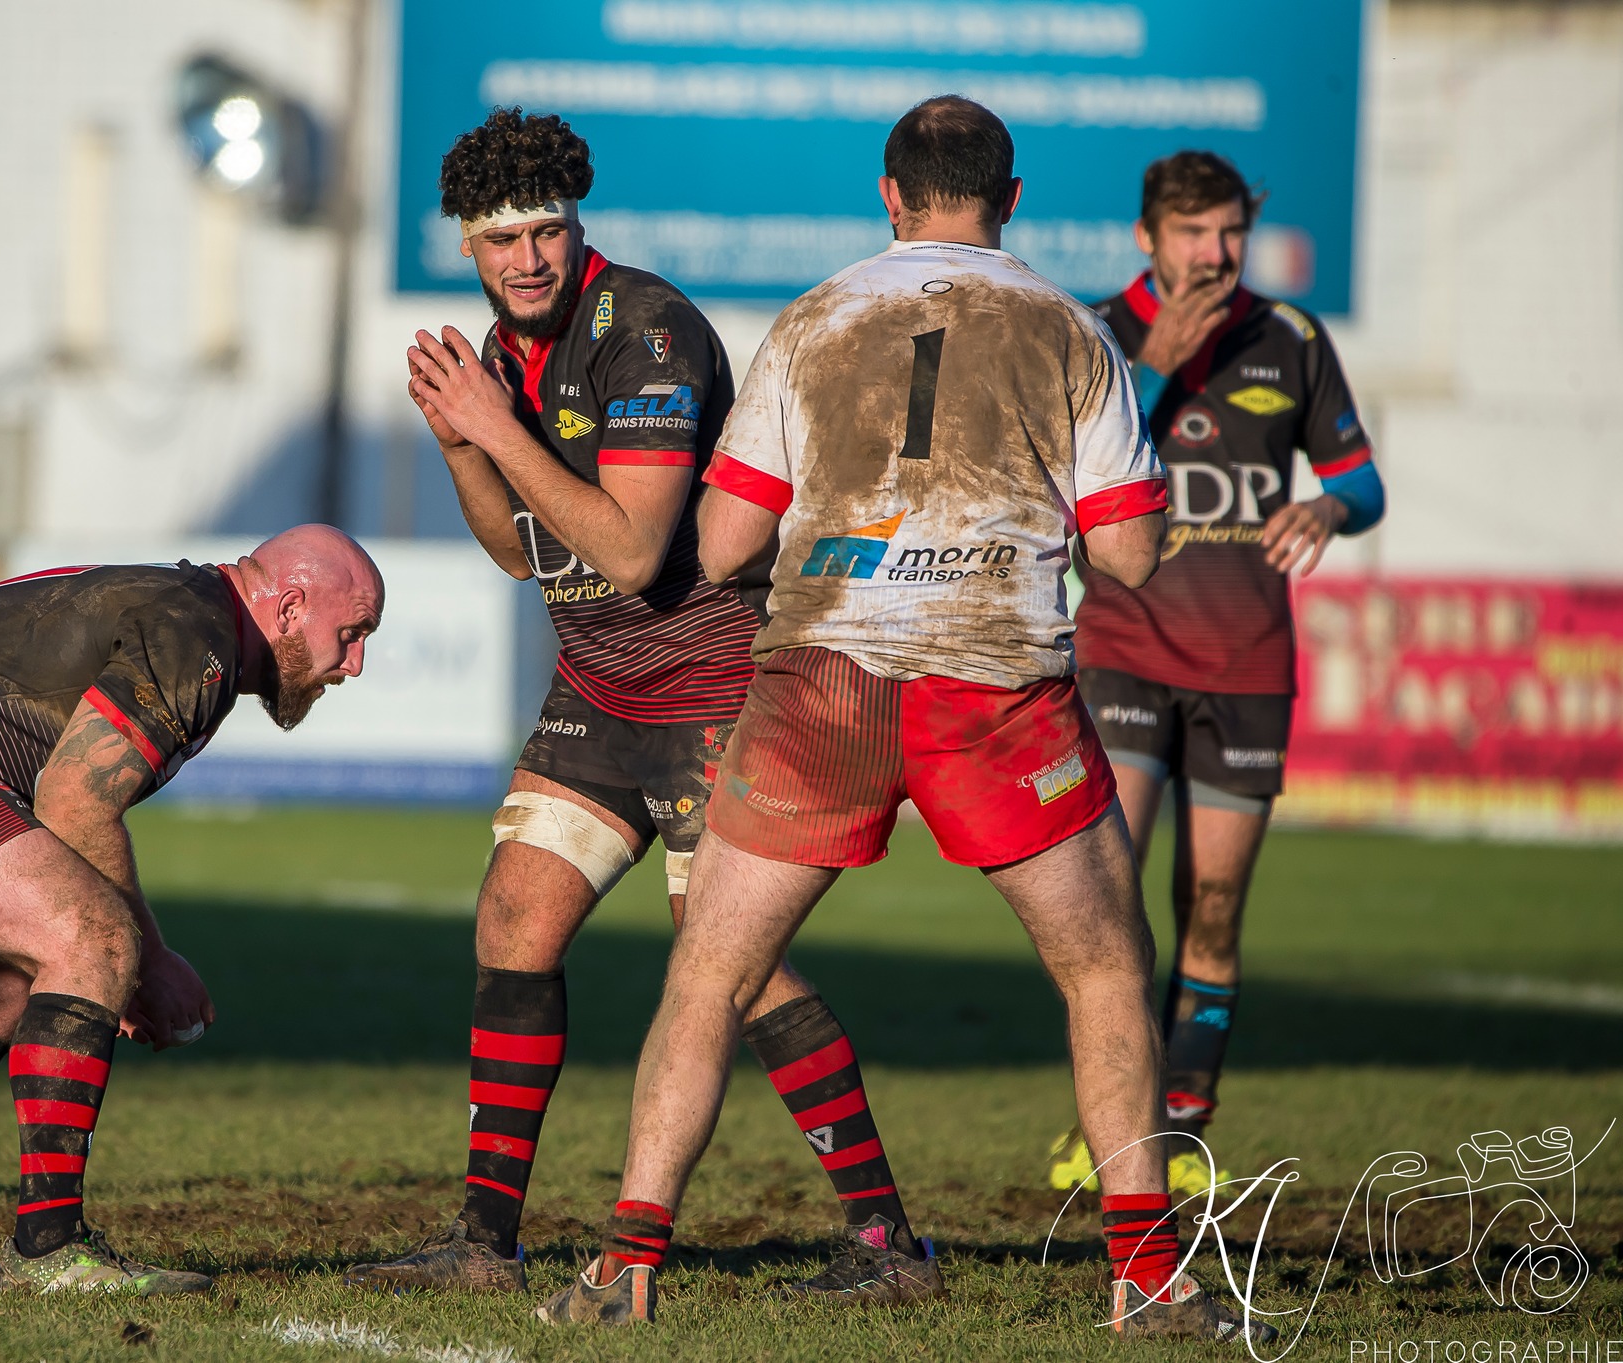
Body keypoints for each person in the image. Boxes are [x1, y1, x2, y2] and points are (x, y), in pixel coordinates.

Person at [539, 97, 1274, 1344]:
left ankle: (625, 1263)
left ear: (889, 193)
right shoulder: (1069, 330)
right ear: (1012, 196)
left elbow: (721, 548)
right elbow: (1135, 559)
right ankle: (1145, 1279)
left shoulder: (816, 318)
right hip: (993, 687)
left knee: (708, 972)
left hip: (821, 680)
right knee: (1101, 966)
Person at [343, 108, 938, 1304]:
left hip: (718, 690)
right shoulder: (497, 356)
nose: (526, 258)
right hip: (600, 689)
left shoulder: (646, 330)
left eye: (547, 231)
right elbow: (519, 557)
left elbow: (626, 550)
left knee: (735, 965)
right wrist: (464, 442)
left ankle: (885, 1243)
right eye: (500, 238)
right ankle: (481, 1241)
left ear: (580, 225)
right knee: (514, 915)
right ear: (464, 245)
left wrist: (496, 428)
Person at [0, 526, 383, 1293]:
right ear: (288, 607)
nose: (354, 662)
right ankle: (50, 1247)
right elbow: (77, 799)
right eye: (351, 634)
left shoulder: (196, 614)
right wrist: (150, 962)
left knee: (2, 988)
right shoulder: (200, 633)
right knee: (94, 935)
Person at [1047, 151, 1387, 1201]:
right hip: (1123, 647)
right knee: (1106, 903)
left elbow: (1360, 481)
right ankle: (1114, 1140)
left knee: (1214, 902)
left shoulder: (1286, 338)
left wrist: (1328, 508)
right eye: (1192, 233)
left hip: (1246, 661)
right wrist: (1152, 365)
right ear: (1146, 237)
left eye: (1229, 231)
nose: (1215, 252)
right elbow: (1060, 478)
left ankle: (1184, 1129)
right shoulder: (1096, 332)